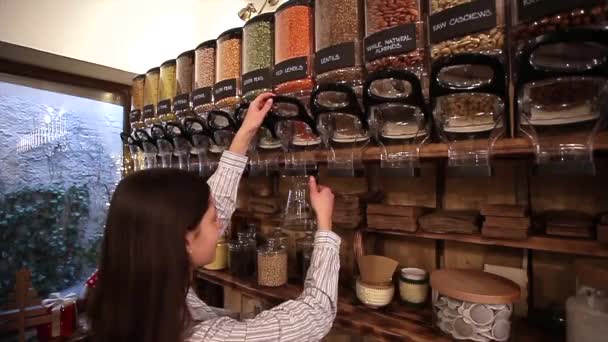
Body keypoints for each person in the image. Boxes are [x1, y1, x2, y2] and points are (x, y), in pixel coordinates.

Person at [87, 93, 340, 342]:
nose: (221, 223)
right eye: (213, 219)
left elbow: (211, 204)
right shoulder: (206, 337)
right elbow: (315, 314)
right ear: (184, 241)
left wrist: (245, 133)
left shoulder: (134, 291)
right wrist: (325, 226)